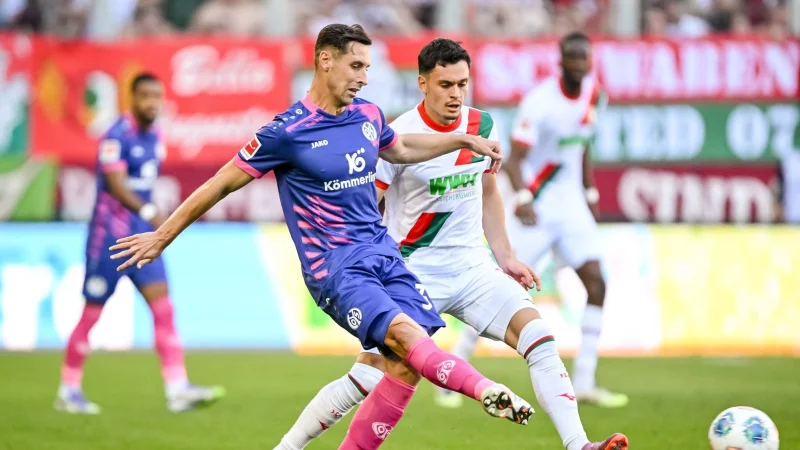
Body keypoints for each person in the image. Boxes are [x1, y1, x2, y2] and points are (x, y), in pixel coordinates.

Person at [109, 25, 532, 450]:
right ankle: (484, 390)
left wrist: (461, 139)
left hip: (384, 255)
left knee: (403, 366)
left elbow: (400, 149)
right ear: (325, 60)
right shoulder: (286, 132)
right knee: (408, 339)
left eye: (366, 67)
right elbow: (219, 184)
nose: (363, 77)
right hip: (335, 268)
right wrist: (162, 236)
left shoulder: (367, 115)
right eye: (356, 66)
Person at [274, 37, 628, 450]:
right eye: (446, 85)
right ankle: (289, 446)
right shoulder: (398, 134)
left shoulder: (482, 126)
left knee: (540, 339)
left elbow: (489, 192)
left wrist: (506, 256)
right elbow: (371, 203)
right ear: (423, 83)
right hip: (413, 270)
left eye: (462, 84)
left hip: (472, 267)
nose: (456, 94)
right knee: (368, 375)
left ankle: (579, 445)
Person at [55, 73, 224, 414]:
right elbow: (116, 184)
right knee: (92, 313)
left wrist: (150, 220)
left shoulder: (156, 137)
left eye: (156, 96)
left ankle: (177, 388)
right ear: (131, 98)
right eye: (145, 96)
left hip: (144, 238)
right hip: (110, 238)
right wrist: (149, 210)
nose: (151, 103)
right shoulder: (116, 137)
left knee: (164, 308)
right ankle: (68, 389)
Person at [500, 31, 628, 408]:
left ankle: (585, 380)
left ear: (589, 61)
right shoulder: (540, 102)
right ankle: (453, 369)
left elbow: (582, 143)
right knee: (496, 285)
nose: (578, 64)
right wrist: (523, 199)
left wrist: (590, 192)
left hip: (571, 207)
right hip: (537, 206)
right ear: (561, 61)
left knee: (597, 283)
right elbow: (514, 159)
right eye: (571, 57)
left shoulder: (595, 94)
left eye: (583, 58)